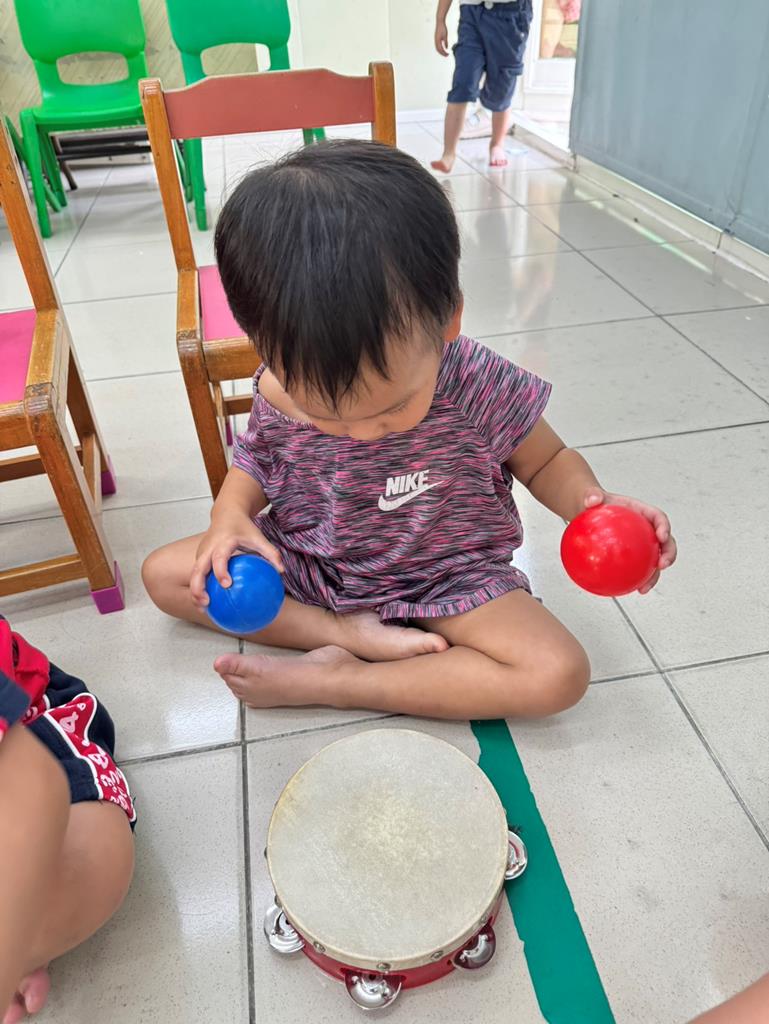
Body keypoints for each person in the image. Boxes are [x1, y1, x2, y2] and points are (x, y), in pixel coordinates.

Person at [142, 140, 677, 721]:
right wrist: (229, 516)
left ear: (449, 319)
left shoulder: (472, 380)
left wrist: (590, 506)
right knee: (166, 576)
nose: (360, 434)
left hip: (448, 576)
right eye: (326, 416)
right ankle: (344, 633)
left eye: (391, 409)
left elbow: (546, 460)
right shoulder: (279, 384)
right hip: (319, 563)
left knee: (558, 674)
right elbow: (256, 462)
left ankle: (344, 681)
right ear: (262, 343)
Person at [0, 618, 135, 1024]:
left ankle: (25, 947)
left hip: (29, 722)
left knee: (98, 856)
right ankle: (28, 949)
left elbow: (35, 793)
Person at [431, 0, 533, 172]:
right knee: (463, 82)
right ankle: (448, 153)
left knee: (502, 90)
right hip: (472, 13)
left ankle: (497, 144)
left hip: (511, 15)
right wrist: (440, 20)